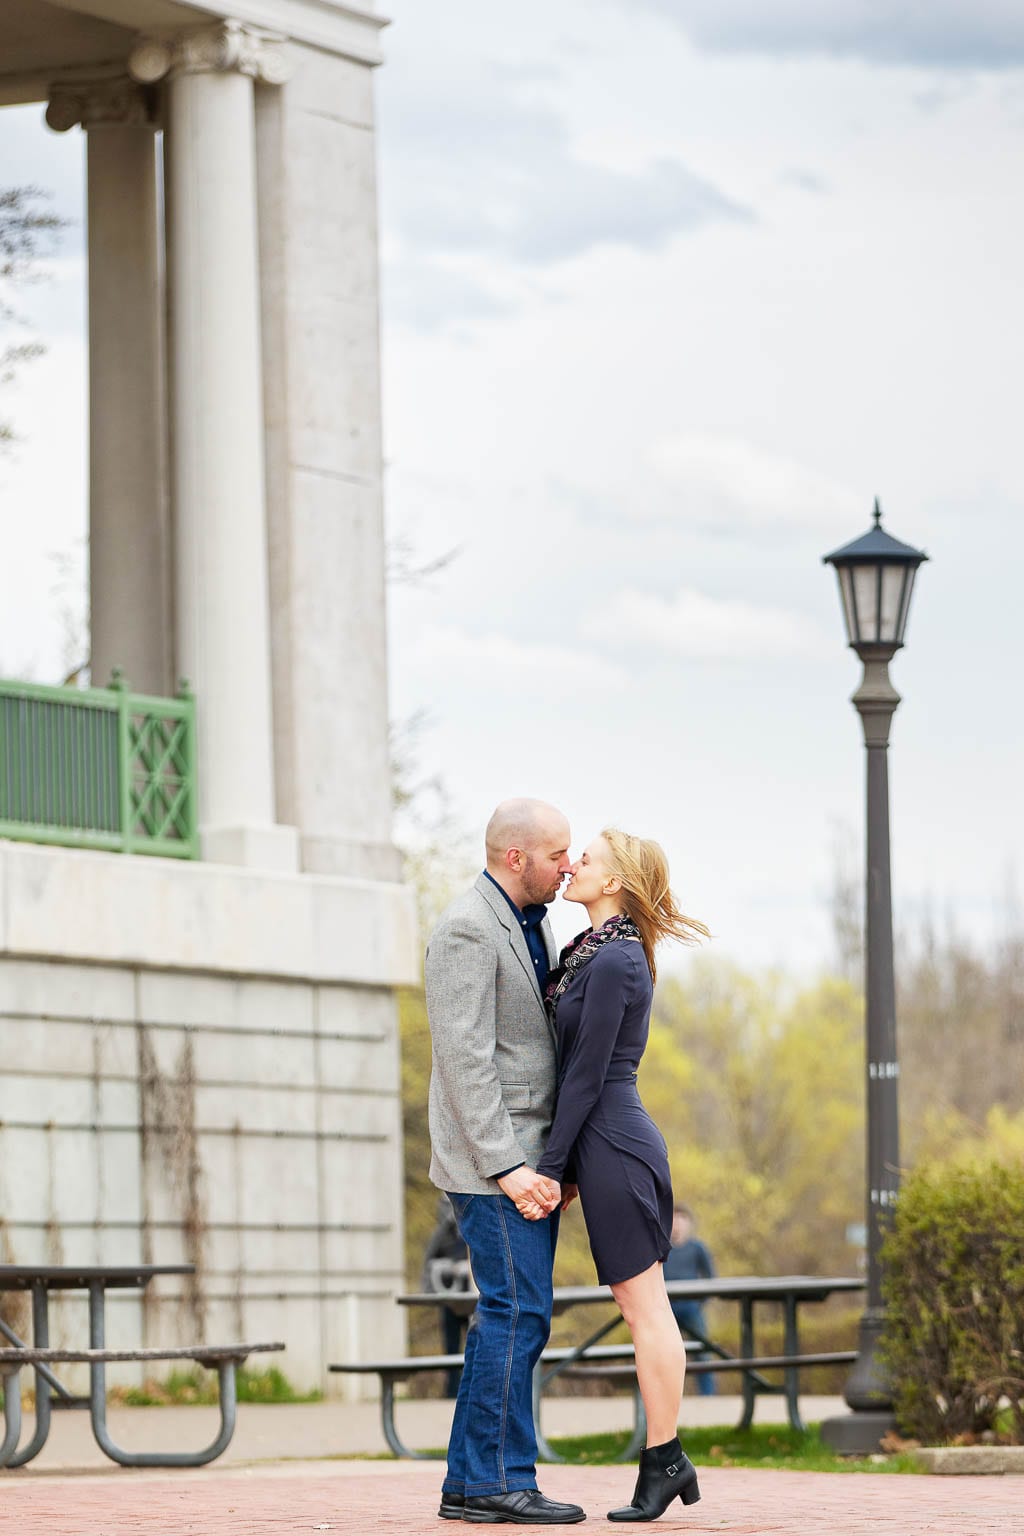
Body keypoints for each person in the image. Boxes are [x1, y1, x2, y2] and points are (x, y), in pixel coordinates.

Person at [535, 829, 710, 1522]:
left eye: (587, 858)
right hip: (601, 1146)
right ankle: (666, 1459)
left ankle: (664, 1458)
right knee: (641, 1309)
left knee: (645, 1311)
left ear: (613, 882)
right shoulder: (594, 952)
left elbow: (585, 1074)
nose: (573, 863)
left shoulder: (617, 960)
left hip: (616, 1147)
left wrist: (552, 1168)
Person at [424, 798, 585, 1526]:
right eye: (557, 854)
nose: (567, 866)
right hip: (495, 1166)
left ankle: (468, 1483)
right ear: (515, 856)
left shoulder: (534, 921)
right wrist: (507, 1166)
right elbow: (465, 1060)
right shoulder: (466, 927)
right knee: (518, 1313)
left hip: (526, 1157)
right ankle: (500, 1480)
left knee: (507, 1315)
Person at [421, 1194, 473, 1398]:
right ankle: (452, 1391)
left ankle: (468, 1391)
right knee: (451, 1347)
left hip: (474, 1299)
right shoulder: (442, 1236)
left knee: (476, 1346)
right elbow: (430, 1262)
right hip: (450, 1300)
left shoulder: (474, 1230)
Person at [663, 1205, 717, 1397]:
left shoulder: (697, 1248)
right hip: (665, 1309)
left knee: (702, 1353)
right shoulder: (661, 1247)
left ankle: (708, 1396)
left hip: (691, 1308)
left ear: (689, 1224)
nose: (677, 1225)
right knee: (664, 1355)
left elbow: (711, 1278)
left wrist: (699, 1302)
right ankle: (667, 1397)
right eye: (674, 1220)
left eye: (681, 1220)